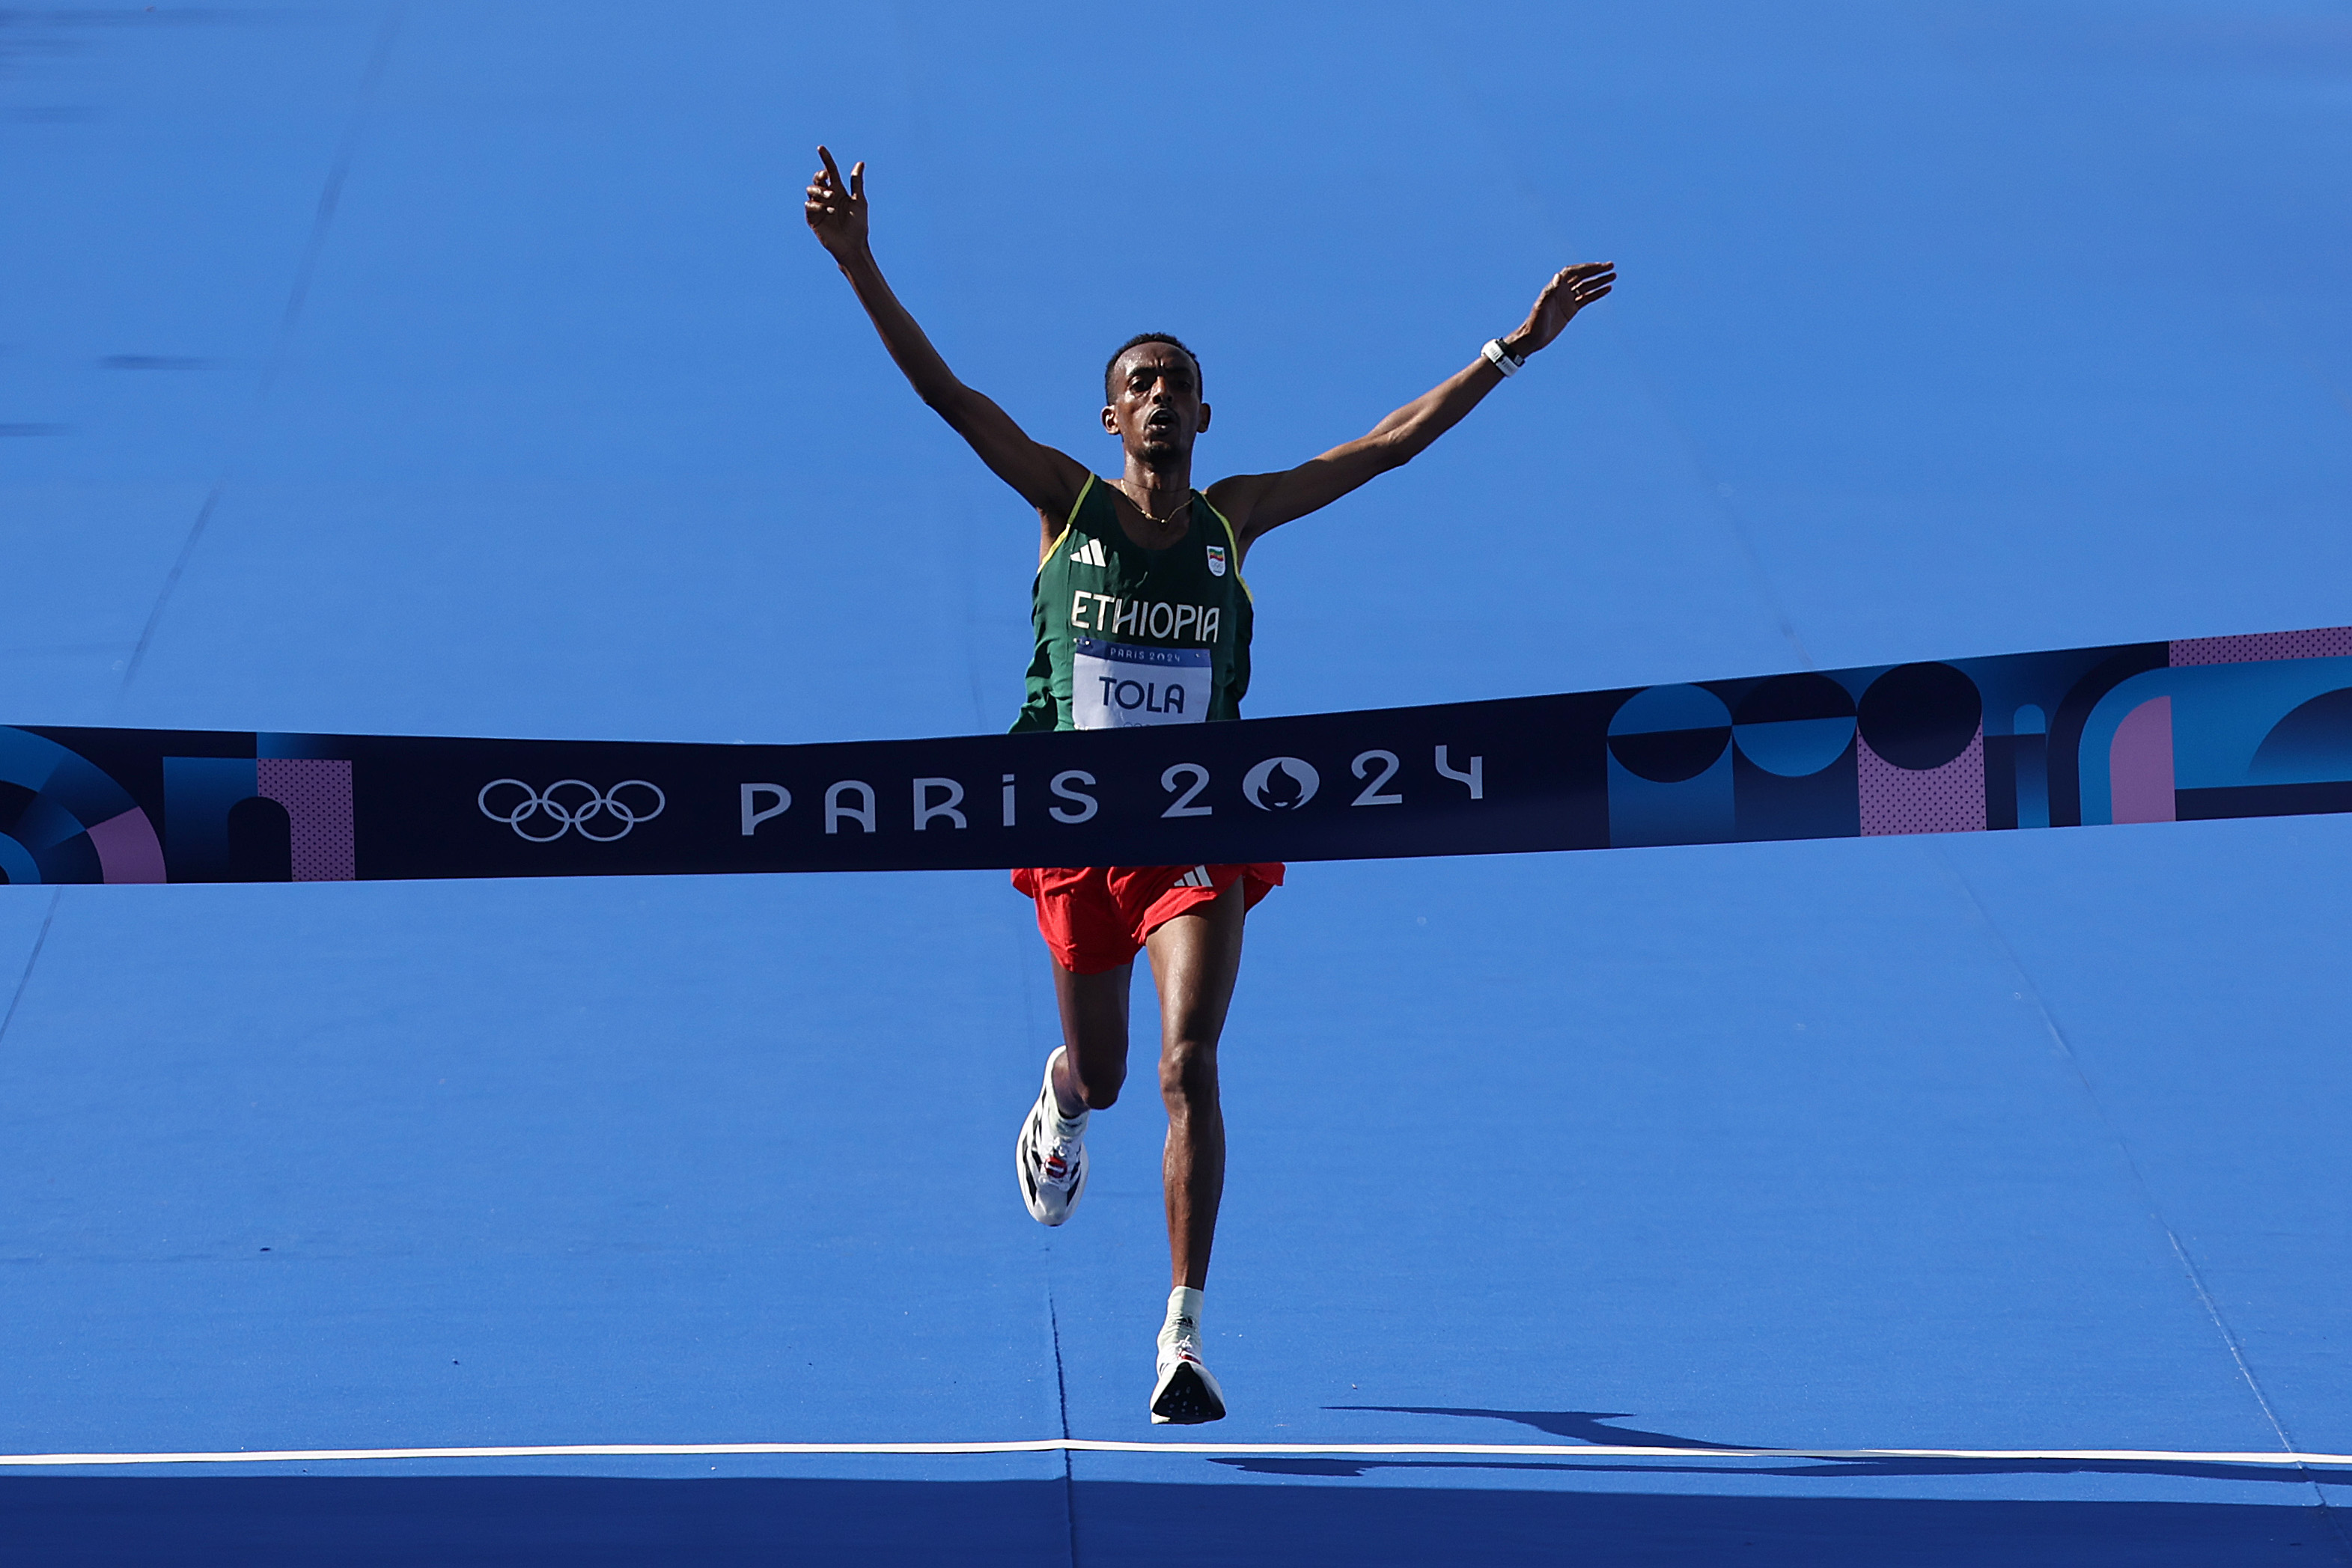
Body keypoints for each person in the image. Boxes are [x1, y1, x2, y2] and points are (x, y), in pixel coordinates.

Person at [804, 146, 1612, 1424]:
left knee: (1189, 1064)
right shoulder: (1064, 505)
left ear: (1204, 415)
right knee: (1113, 1072)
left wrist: (1514, 346)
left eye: (1179, 384)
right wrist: (858, 262)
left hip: (1199, 825)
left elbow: (1385, 448)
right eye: (1139, 387)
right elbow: (947, 398)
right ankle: (1060, 1104)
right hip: (1074, 828)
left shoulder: (1236, 518)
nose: (1161, 399)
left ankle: (1181, 1338)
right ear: (1111, 421)